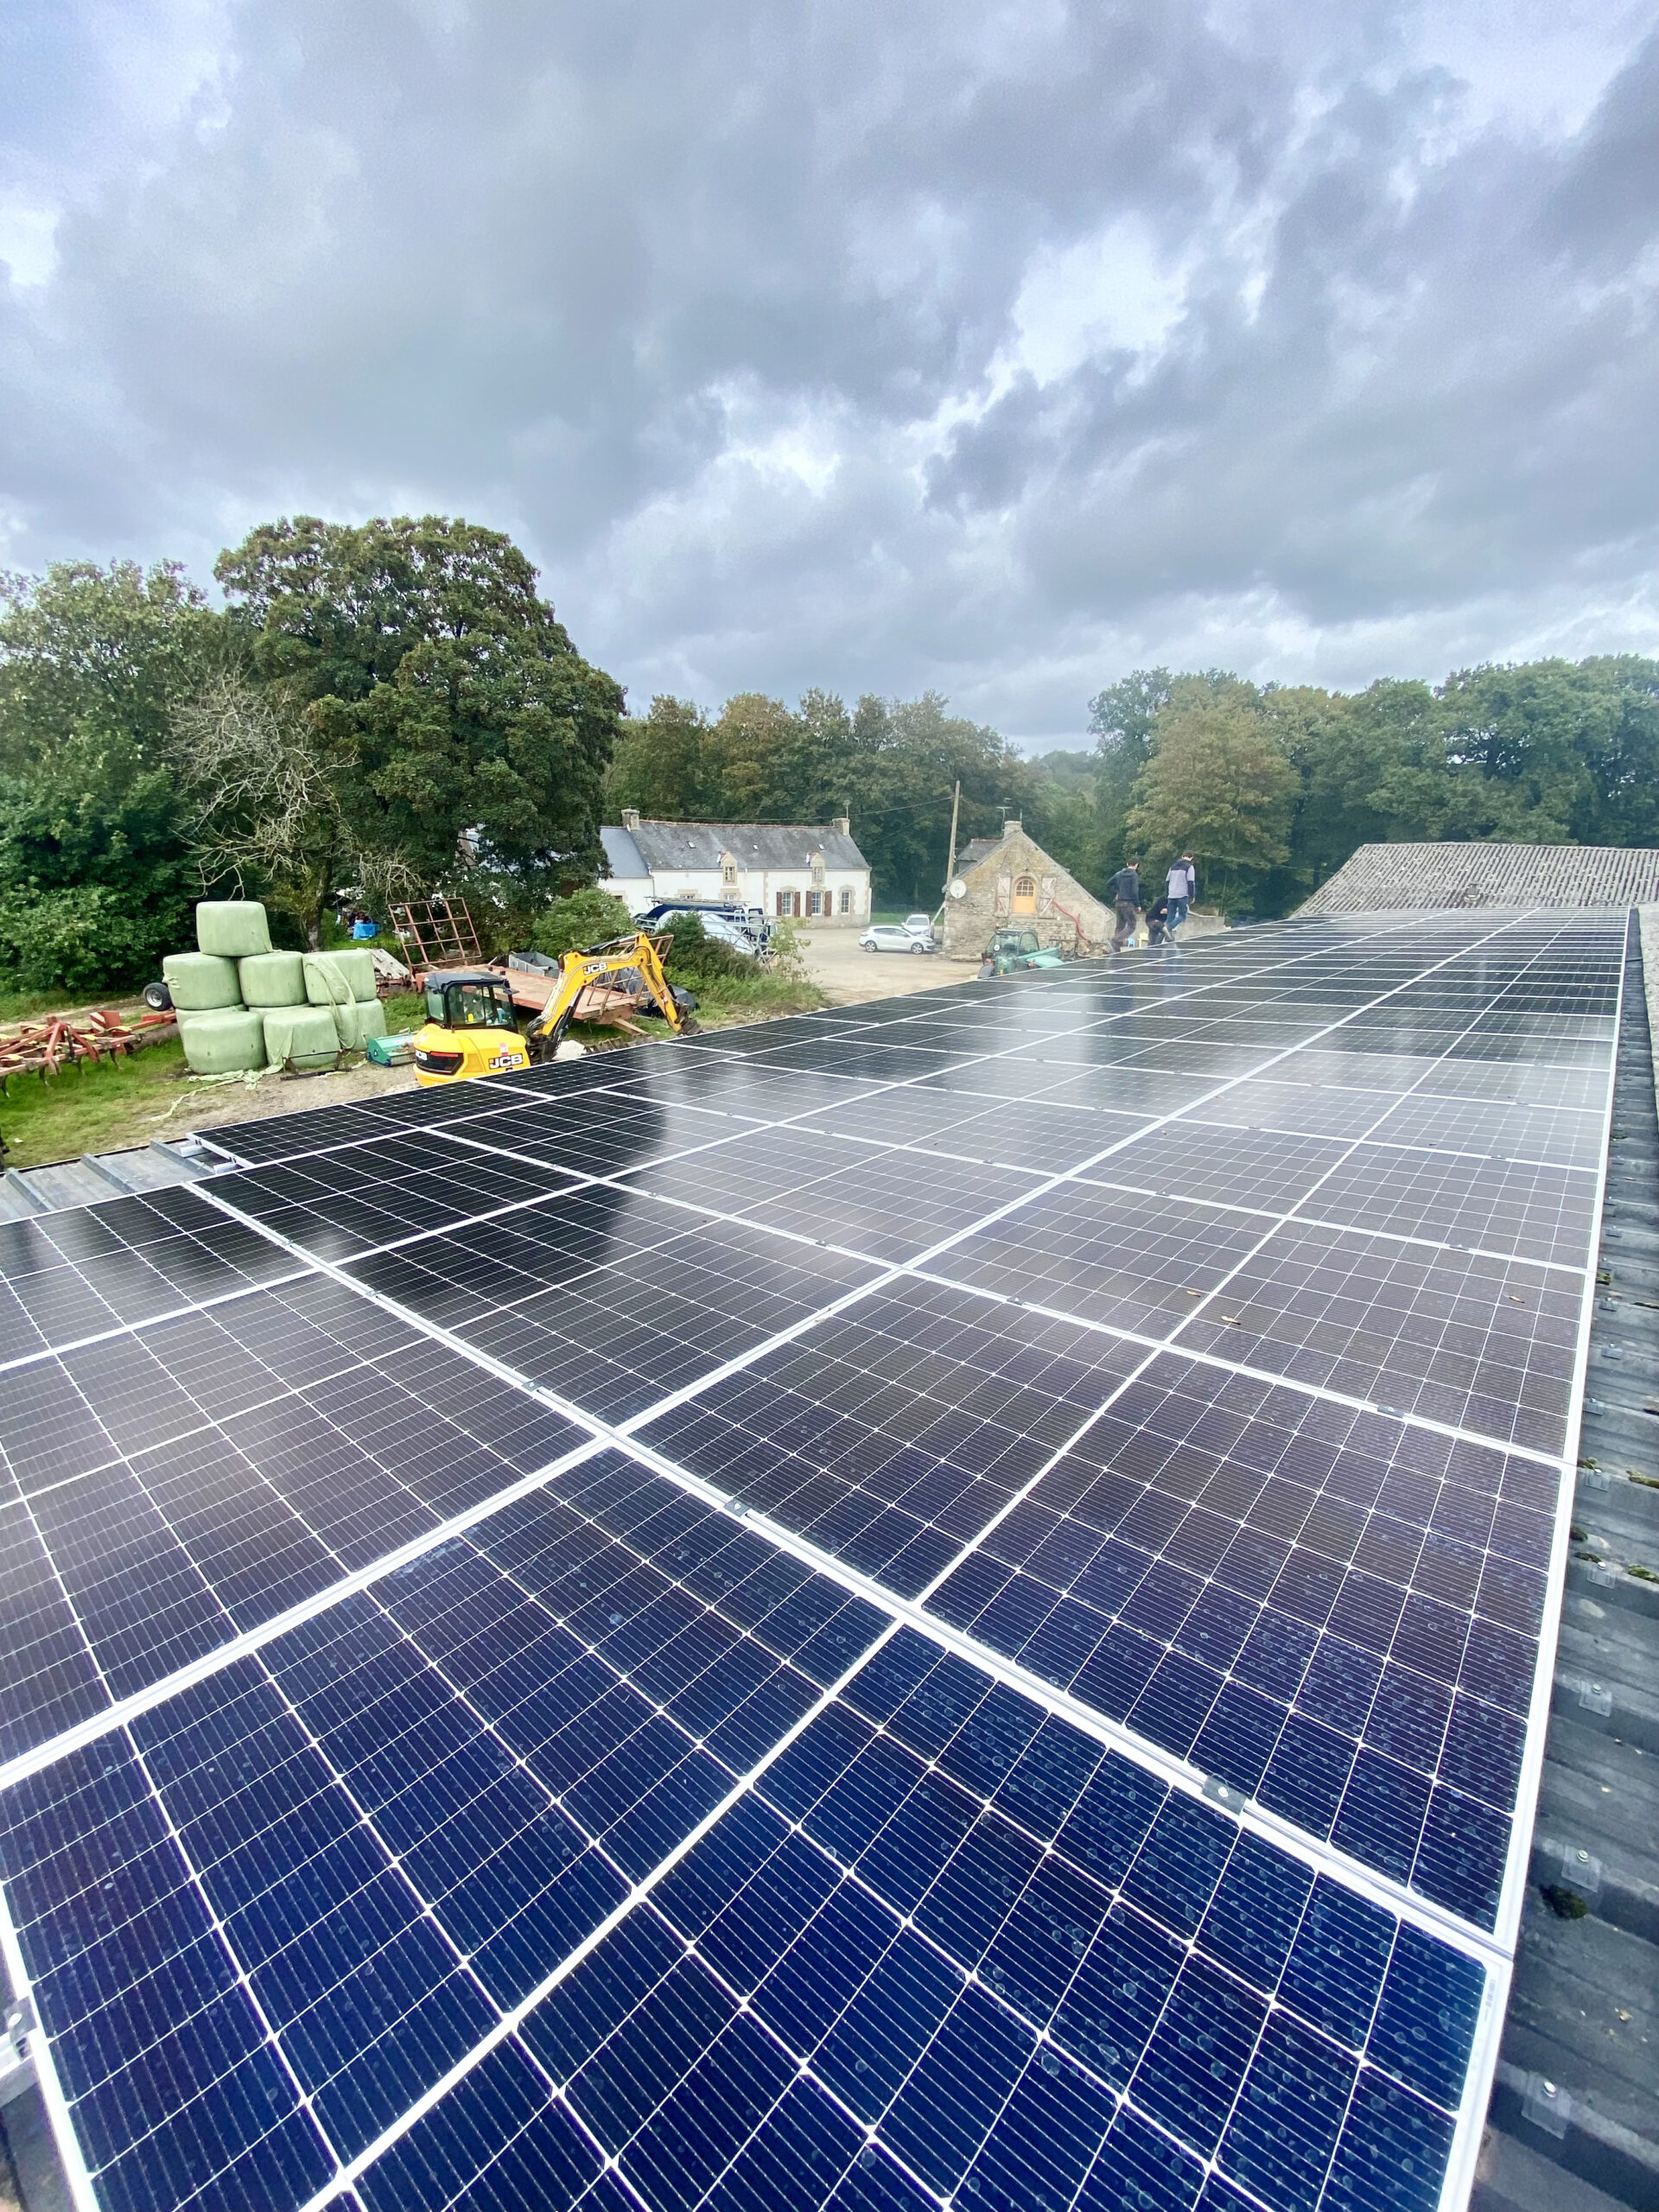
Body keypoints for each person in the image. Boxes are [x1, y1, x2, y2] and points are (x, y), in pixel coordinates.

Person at [1108, 858, 1142, 951]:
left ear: (1127, 864)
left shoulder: (1119, 874)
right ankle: (1115, 940)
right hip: (1128, 904)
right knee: (1132, 925)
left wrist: (1115, 893)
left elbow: (1108, 884)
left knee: (1120, 926)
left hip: (1118, 903)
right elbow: (1135, 892)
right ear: (1137, 865)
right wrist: (1138, 905)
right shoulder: (1134, 875)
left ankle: (1115, 949)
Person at [1166, 855, 1196, 932]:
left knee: (1170, 917)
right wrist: (1192, 896)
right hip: (1182, 895)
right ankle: (1168, 928)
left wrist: (1167, 893)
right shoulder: (1189, 867)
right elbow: (1191, 883)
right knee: (1182, 915)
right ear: (1192, 857)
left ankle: (1168, 938)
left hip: (1171, 895)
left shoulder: (1172, 866)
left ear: (1182, 856)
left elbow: (1167, 881)